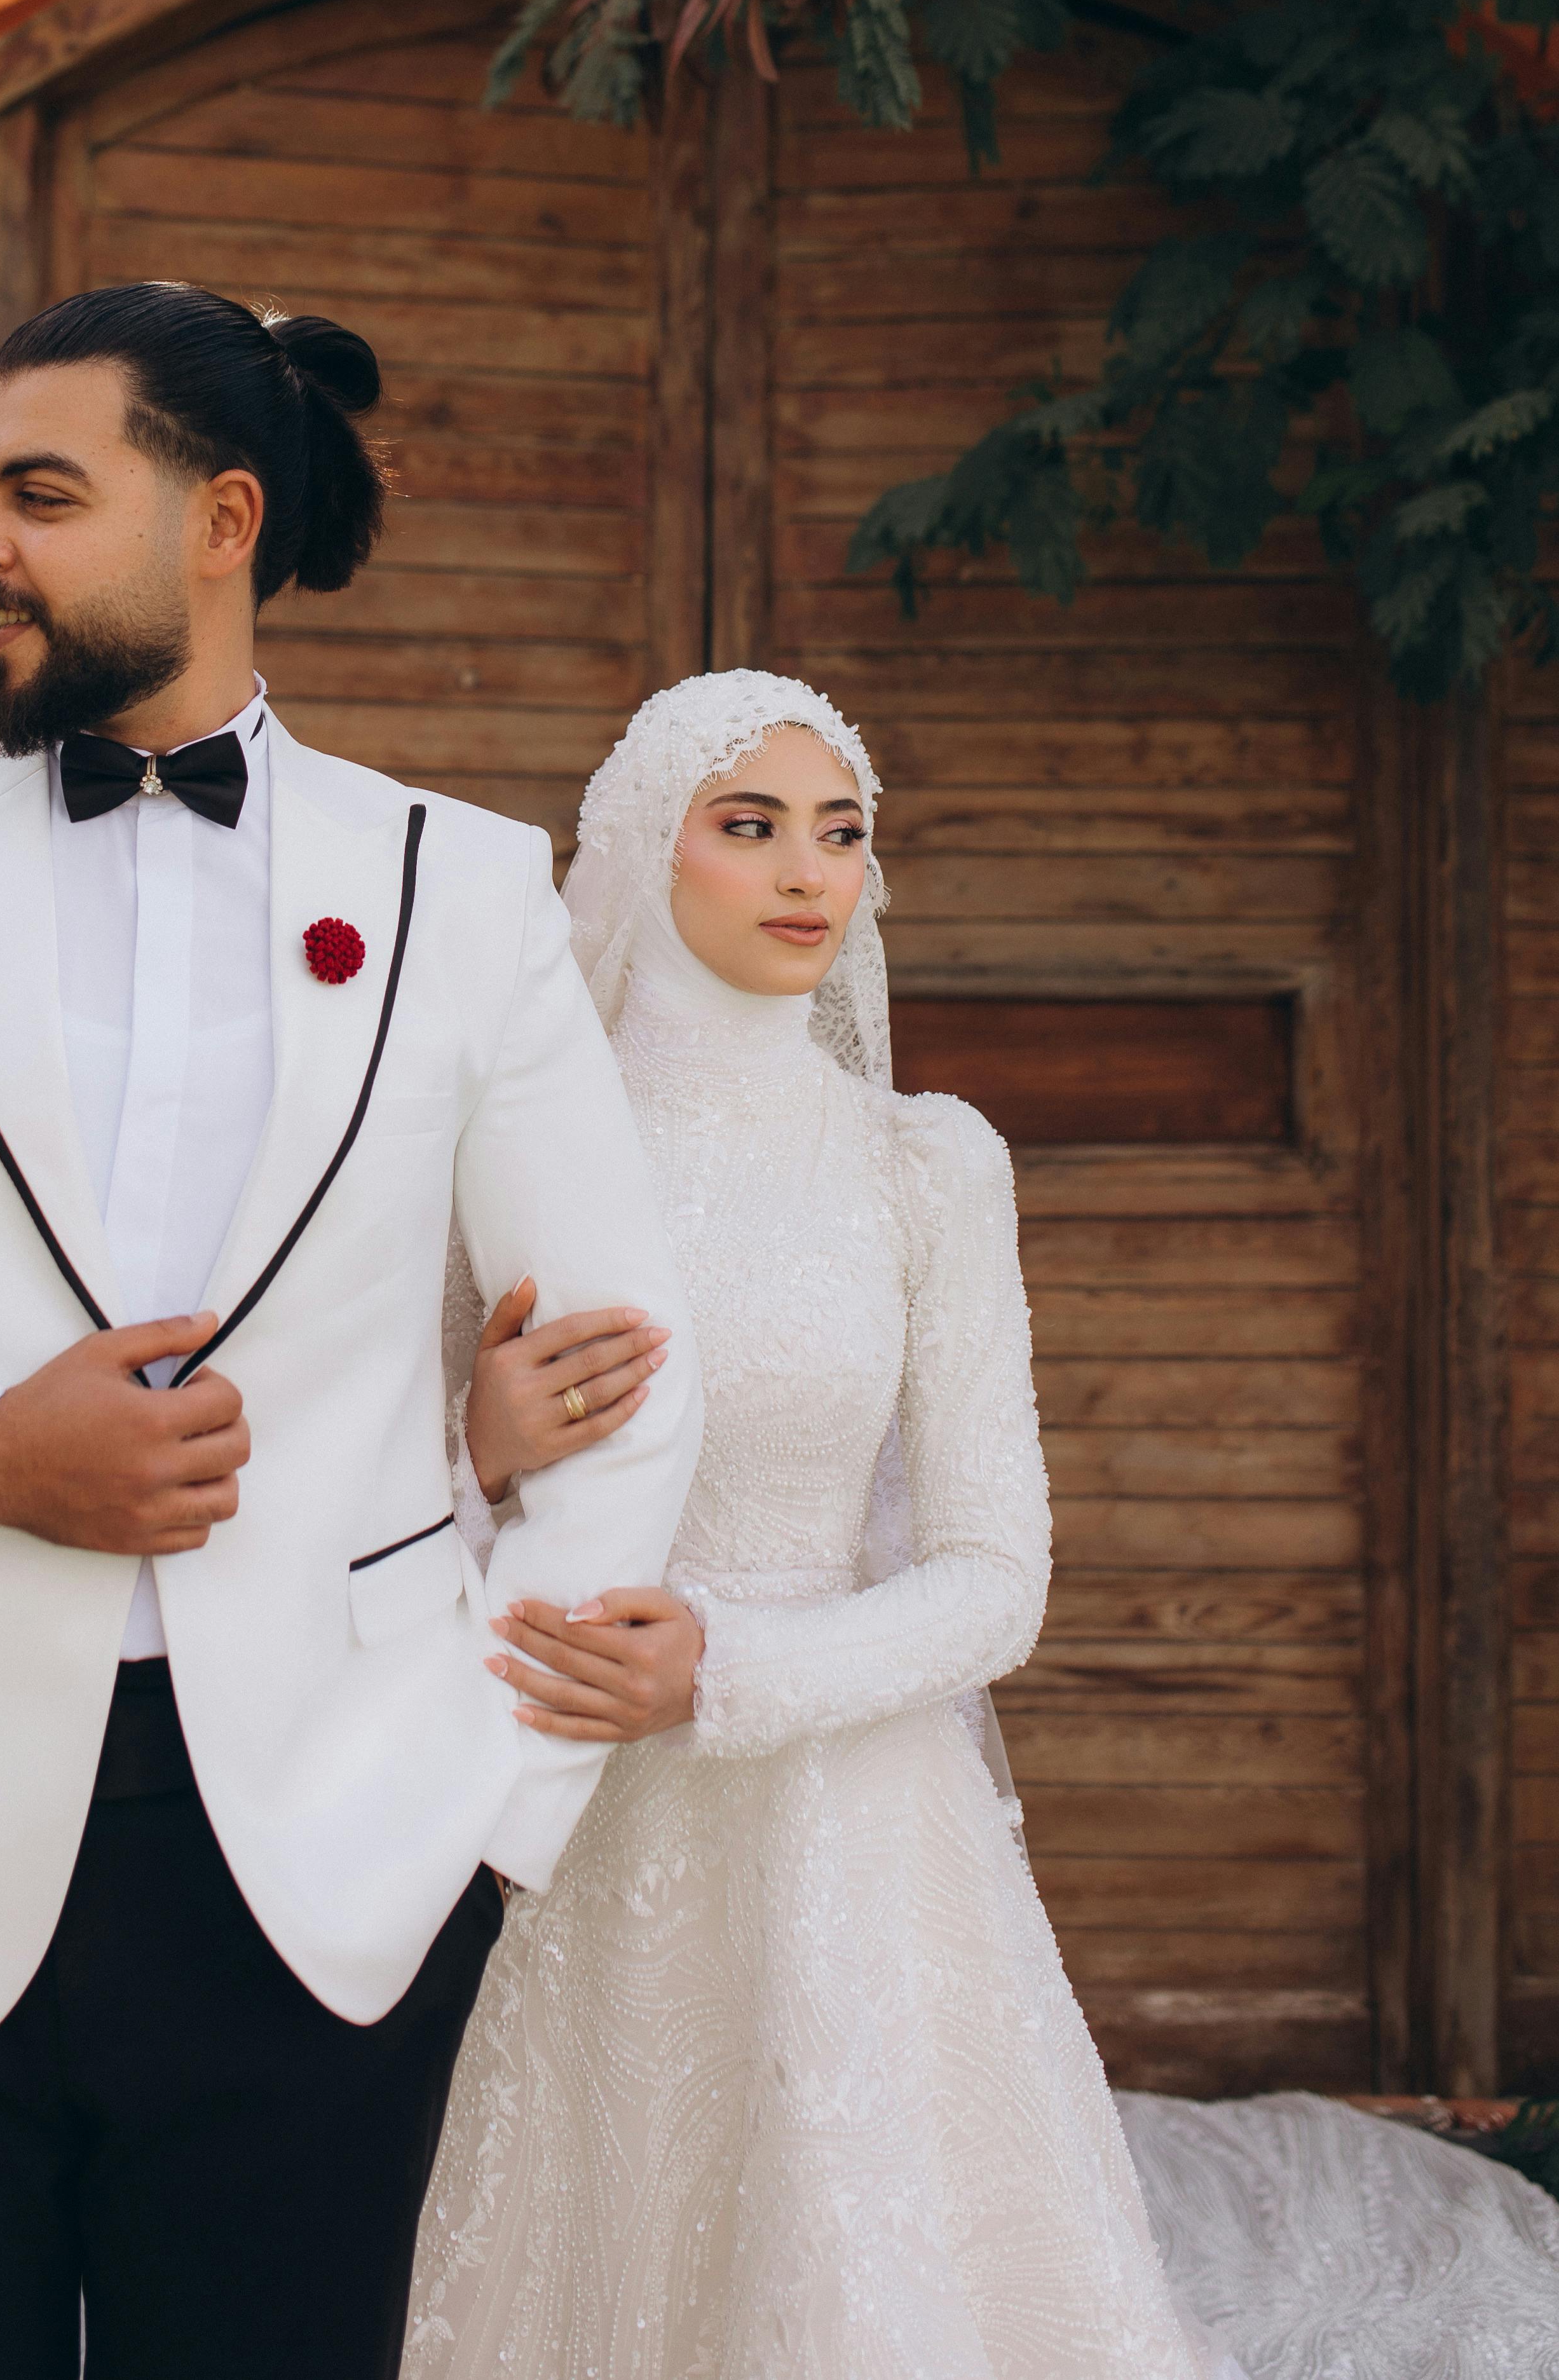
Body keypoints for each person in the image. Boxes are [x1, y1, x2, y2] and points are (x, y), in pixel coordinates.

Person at [0, 283, 701, 2380]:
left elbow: (622, 1363)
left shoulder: (465, 887)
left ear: (222, 518)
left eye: (38, 494)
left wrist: (486, 1820)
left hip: (329, 1868)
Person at [406, 668, 1236, 2380]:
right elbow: (362, 1499)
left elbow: (996, 1576)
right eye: (750, 826)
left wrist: (726, 1669)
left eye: (840, 834)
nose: (807, 873)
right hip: (559, 1801)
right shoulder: (497, 1150)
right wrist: (470, 1449)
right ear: (647, 855)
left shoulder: (925, 1163)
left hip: (849, 1823)